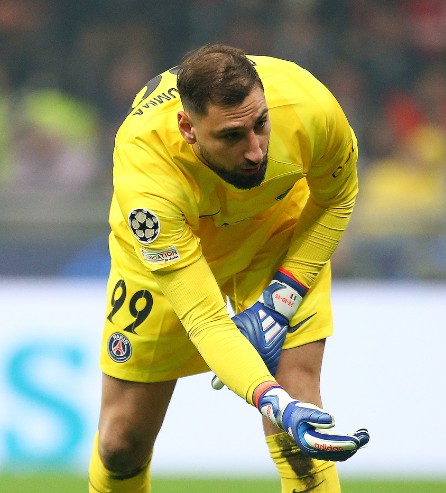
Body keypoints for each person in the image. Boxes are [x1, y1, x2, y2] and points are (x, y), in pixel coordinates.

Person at [88, 43, 369, 493]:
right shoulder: (148, 176)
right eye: (232, 137)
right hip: (170, 257)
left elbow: (338, 195)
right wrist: (273, 401)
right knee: (121, 444)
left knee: (303, 433)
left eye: (261, 125)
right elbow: (204, 319)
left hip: (277, 230)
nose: (256, 151)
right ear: (188, 128)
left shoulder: (308, 105)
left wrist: (283, 299)